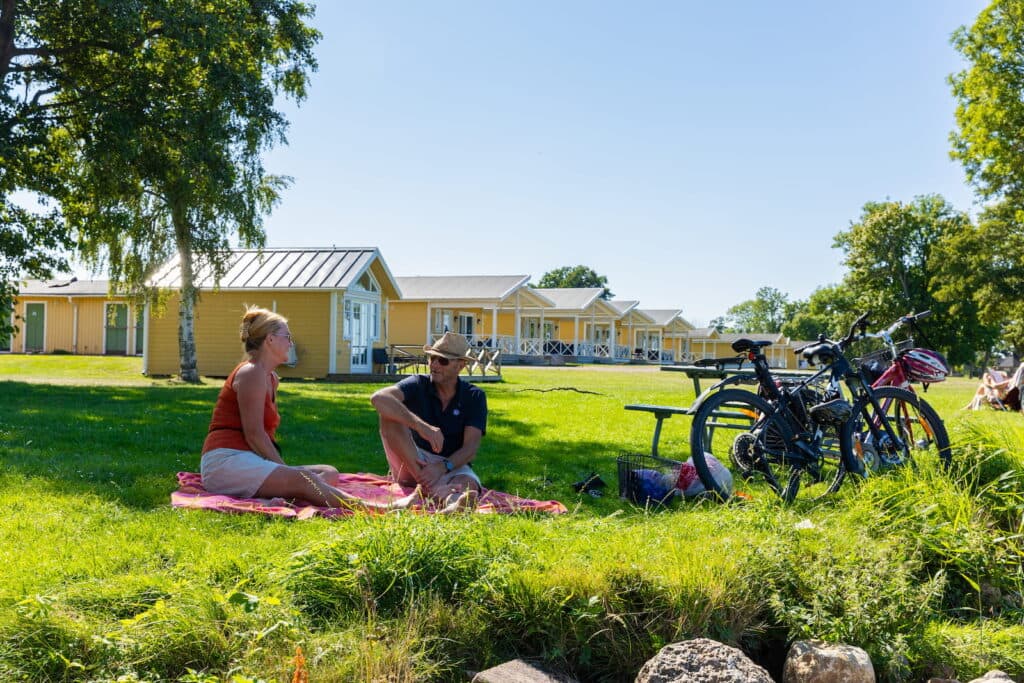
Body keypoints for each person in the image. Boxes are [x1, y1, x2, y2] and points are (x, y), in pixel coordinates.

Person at [201, 306, 402, 509]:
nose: (291, 343)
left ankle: (269, 499)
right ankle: (378, 508)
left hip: (247, 459)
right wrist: (286, 471)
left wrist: (287, 474)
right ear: (270, 339)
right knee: (303, 479)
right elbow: (254, 434)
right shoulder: (251, 373)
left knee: (328, 472)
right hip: (225, 462)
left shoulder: (270, 378)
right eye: (287, 336)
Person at [371, 331, 487, 509]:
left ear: (460, 366)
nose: (434, 364)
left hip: (451, 464)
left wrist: (442, 467)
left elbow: (470, 449)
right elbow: (379, 398)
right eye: (431, 358)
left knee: (467, 483)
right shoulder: (418, 383)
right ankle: (432, 487)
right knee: (388, 414)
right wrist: (422, 427)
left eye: (443, 360)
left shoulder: (474, 396)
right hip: (413, 461)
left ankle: (455, 506)